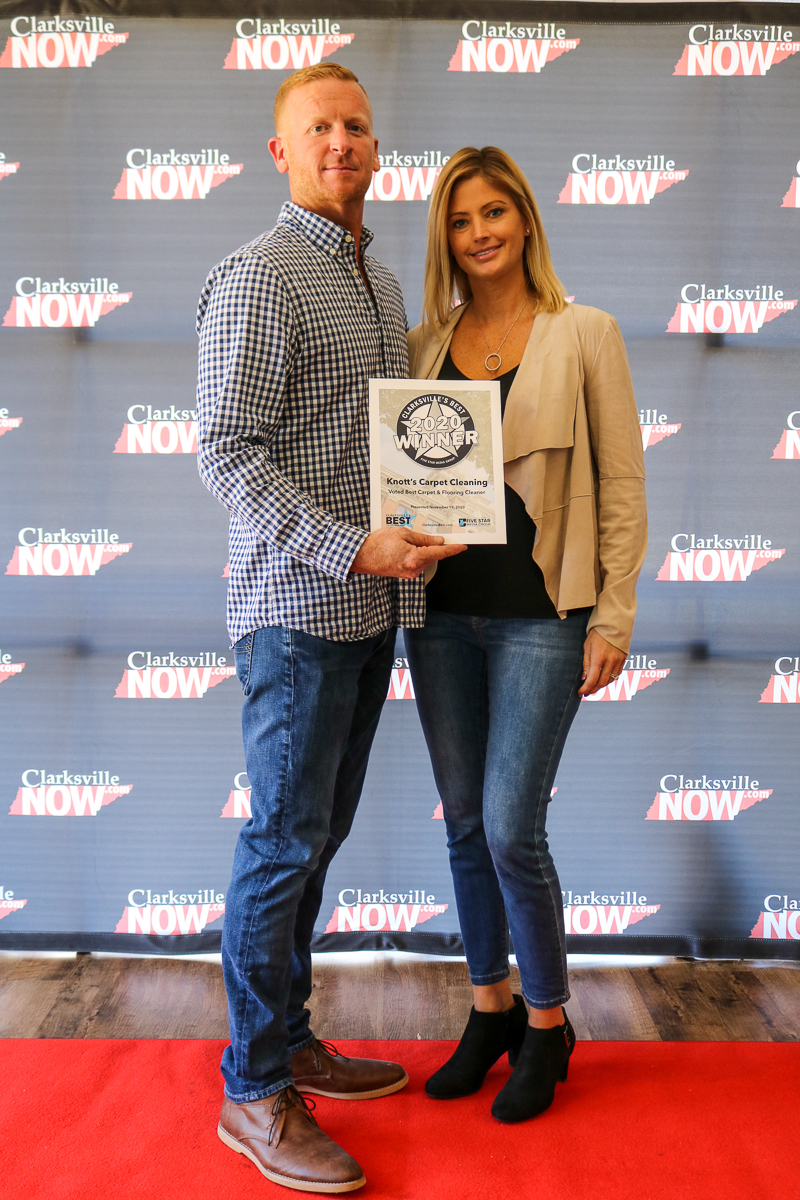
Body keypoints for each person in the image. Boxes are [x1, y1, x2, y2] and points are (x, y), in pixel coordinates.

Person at [196, 63, 464, 1193]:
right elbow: (226, 454)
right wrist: (353, 546)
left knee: (312, 841)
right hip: (298, 614)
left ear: (376, 147)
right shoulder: (260, 275)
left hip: (366, 613)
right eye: (318, 127)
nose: (340, 142)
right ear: (282, 151)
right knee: (281, 846)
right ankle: (254, 1089)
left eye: (356, 124)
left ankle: (290, 1039)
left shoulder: (378, 280)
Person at [405, 146, 647, 1123]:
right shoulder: (424, 344)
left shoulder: (585, 332)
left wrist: (614, 615)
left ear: (526, 220)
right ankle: (489, 1007)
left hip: (545, 620)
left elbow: (621, 485)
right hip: (440, 619)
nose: (479, 233)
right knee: (465, 824)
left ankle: (548, 1023)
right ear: (445, 238)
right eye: (460, 220)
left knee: (512, 825)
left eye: (494, 212)